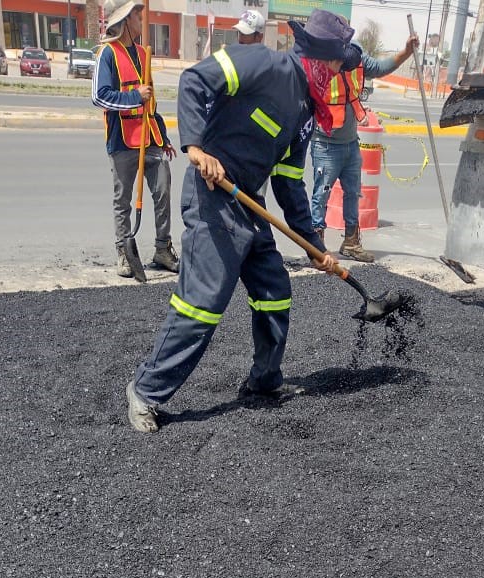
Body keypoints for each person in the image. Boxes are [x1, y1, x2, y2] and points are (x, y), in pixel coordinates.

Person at [125, 9, 360, 433]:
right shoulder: (264, 64)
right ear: (318, 58)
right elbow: (194, 81)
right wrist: (195, 146)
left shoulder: (306, 111)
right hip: (213, 196)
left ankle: (264, 382)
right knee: (202, 302)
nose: (338, 74)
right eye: (336, 65)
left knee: (274, 290)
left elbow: (288, 183)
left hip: (248, 204)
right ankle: (146, 391)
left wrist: (315, 247)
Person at [309, 34, 420, 262]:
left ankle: (351, 243)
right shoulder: (318, 59)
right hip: (325, 143)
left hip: (350, 142)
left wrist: (406, 51)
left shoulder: (355, 55)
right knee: (321, 195)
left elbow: (380, 68)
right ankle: (316, 247)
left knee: (353, 193)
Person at [91, 0, 180, 278]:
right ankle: (124, 252)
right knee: (123, 200)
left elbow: (151, 103)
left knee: (163, 191)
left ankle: (162, 248)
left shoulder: (144, 53)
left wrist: (163, 135)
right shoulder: (108, 54)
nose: (141, 20)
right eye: (137, 16)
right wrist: (133, 97)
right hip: (122, 140)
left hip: (150, 138)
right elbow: (99, 96)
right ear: (126, 20)